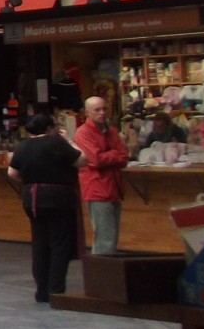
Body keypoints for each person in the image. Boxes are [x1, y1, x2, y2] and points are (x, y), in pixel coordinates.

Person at [8, 113, 85, 303]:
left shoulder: (24, 146)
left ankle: (41, 291)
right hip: (58, 197)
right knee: (60, 243)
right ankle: (56, 289)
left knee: (40, 243)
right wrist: (70, 141)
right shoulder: (56, 143)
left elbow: (12, 173)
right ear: (51, 128)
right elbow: (83, 160)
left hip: (32, 197)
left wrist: (30, 179)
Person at [74, 96, 128, 255]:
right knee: (105, 236)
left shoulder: (112, 131)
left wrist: (109, 155)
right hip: (96, 187)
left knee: (112, 233)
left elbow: (124, 157)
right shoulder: (83, 133)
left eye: (104, 109)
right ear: (87, 112)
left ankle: (105, 265)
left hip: (114, 186)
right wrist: (114, 153)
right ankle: (101, 267)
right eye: (97, 110)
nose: (102, 113)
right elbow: (95, 160)